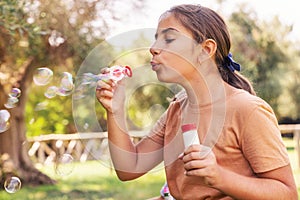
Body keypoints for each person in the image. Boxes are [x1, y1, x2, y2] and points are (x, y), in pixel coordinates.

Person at [96, 4, 298, 200]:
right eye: (156, 39)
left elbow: (287, 194)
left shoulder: (247, 110)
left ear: (205, 50)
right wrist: (115, 111)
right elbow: (129, 167)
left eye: (169, 39)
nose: (153, 48)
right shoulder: (177, 108)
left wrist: (220, 177)